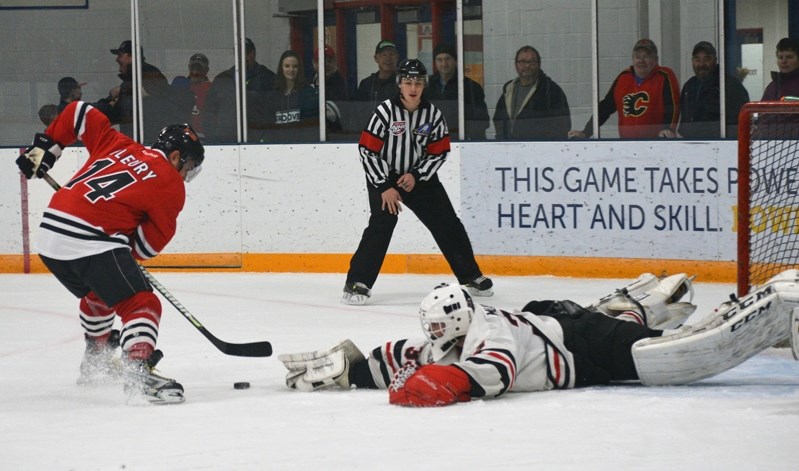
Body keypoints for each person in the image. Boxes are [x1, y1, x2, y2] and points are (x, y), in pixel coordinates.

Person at [280, 270, 799, 407]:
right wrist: (353, 365)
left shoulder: (489, 332)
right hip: (560, 325)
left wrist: (440, 382)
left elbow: (494, 373)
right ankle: (642, 306)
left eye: (439, 327)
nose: (432, 336)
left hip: (582, 341)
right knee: (638, 332)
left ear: (459, 320)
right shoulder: (458, 331)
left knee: (670, 356)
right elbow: (408, 353)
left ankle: (772, 306)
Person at [15, 99, 205, 404]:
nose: (185, 175)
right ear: (175, 156)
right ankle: (138, 371)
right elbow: (147, 245)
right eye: (188, 168)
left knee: (100, 294)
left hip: (50, 237)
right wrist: (124, 242)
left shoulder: (119, 143)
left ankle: (97, 360)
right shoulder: (171, 183)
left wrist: (45, 150)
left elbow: (78, 112)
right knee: (141, 303)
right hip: (90, 241)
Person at [342, 58, 493, 306]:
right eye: (408, 82)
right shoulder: (384, 113)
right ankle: (357, 281)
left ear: (424, 85)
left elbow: (440, 150)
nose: (413, 88)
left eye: (418, 82)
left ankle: (471, 277)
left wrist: (417, 174)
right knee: (382, 223)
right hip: (385, 177)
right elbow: (367, 151)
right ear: (400, 84)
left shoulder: (432, 114)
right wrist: (384, 186)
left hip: (418, 178)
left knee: (447, 222)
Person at [569, 39, 680, 139]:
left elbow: (673, 106)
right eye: (637, 57)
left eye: (646, 56)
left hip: (657, 144)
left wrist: (668, 130)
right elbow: (606, 107)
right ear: (632, 59)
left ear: (656, 59)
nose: (641, 61)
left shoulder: (664, 76)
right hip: (627, 144)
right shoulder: (623, 77)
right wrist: (586, 132)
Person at [203, 37, 276, 143]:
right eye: (239, 53)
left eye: (246, 52)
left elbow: (274, 111)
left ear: (253, 53)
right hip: (225, 143)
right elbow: (209, 112)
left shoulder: (268, 77)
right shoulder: (222, 79)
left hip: (258, 144)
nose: (243, 56)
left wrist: (267, 138)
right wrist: (213, 138)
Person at [492, 45, 571, 140]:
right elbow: (498, 119)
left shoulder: (551, 91)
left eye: (532, 62)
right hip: (509, 148)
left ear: (539, 64)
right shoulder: (508, 89)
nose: (527, 66)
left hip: (538, 149)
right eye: (522, 61)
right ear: (516, 64)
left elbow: (562, 125)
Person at [678, 41, 750, 139]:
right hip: (692, 146)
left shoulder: (730, 85)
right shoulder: (689, 86)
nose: (701, 64)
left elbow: (741, 122)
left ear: (715, 60)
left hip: (723, 145)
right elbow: (685, 123)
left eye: (707, 59)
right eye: (697, 59)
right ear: (692, 61)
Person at [423, 43, 490, 140]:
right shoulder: (426, 86)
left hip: (461, 141)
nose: (444, 64)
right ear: (435, 62)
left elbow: (482, 119)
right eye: (439, 60)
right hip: (433, 140)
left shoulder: (471, 87)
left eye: (447, 59)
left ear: (455, 61)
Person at [250, 50, 319, 142]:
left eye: (295, 66)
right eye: (287, 66)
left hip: (300, 145)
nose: (291, 70)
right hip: (278, 146)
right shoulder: (274, 94)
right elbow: (268, 122)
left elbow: (310, 124)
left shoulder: (307, 92)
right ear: (281, 68)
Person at [171, 53, 212, 138]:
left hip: (204, 136)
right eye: (193, 67)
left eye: (199, 68)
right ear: (189, 67)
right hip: (182, 135)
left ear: (206, 70)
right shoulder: (179, 86)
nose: (195, 71)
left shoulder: (211, 89)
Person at [355, 39, 400, 108]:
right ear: (376, 58)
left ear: (397, 58)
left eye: (391, 54)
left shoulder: (404, 83)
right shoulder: (366, 84)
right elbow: (359, 110)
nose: (388, 58)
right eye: (384, 55)